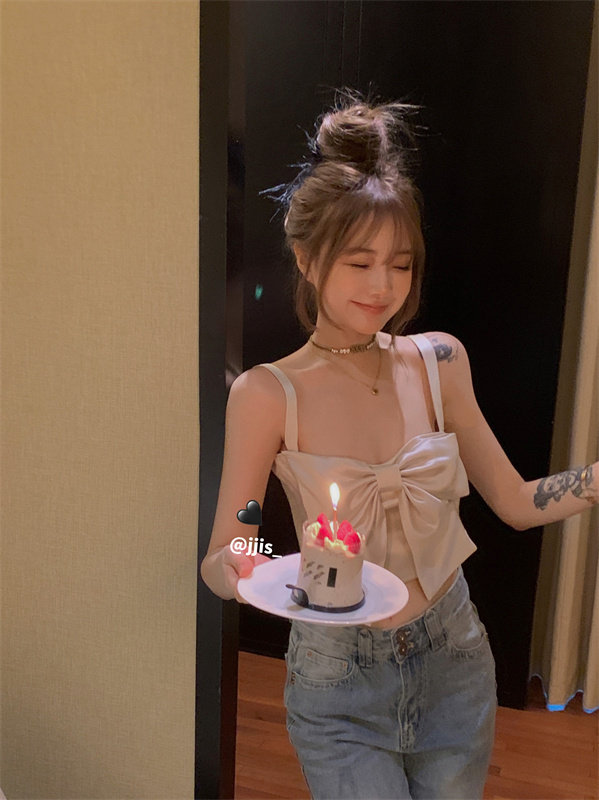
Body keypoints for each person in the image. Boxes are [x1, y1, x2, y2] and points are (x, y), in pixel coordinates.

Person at [200, 87, 598, 799]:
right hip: (337, 680)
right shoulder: (266, 393)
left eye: (402, 263)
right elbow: (231, 544)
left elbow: (514, 501)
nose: (383, 286)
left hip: (455, 660)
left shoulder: (439, 361)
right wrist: (252, 567)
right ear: (306, 257)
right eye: (359, 262)